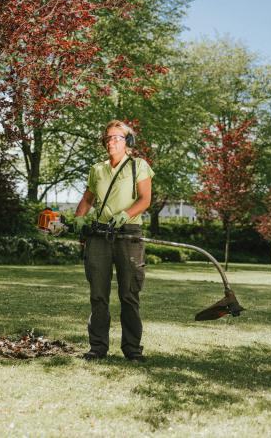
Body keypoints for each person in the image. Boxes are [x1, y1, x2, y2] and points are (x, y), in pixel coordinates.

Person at [72, 120, 154, 362]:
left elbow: (145, 198)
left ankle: (132, 349)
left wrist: (125, 215)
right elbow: (87, 199)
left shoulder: (138, 166)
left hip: (128, 232)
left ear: (128, 142)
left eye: (116, 137)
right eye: (107, 138)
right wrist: (79, 218)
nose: (110, 142)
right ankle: (97, 347)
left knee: (129, 294)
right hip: (99, 235)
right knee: (98, 294)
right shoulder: (97, 169)